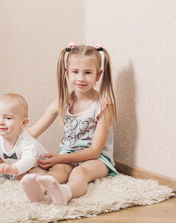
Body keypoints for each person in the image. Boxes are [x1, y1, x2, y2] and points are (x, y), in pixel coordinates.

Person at [21, 42, 118, 205]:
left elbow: (94, 151)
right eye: (75, 72)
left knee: (80, 172)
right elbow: (33, 131)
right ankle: (39, 190)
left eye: (88, 72)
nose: (80, 78)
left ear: (98, 75)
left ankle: (67, 192)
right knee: (58, 171)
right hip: (67, 153)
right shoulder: (62, 102)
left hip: (98, 159)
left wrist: (60, 157)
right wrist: (8, 143)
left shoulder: (103, 105)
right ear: (67, 73)